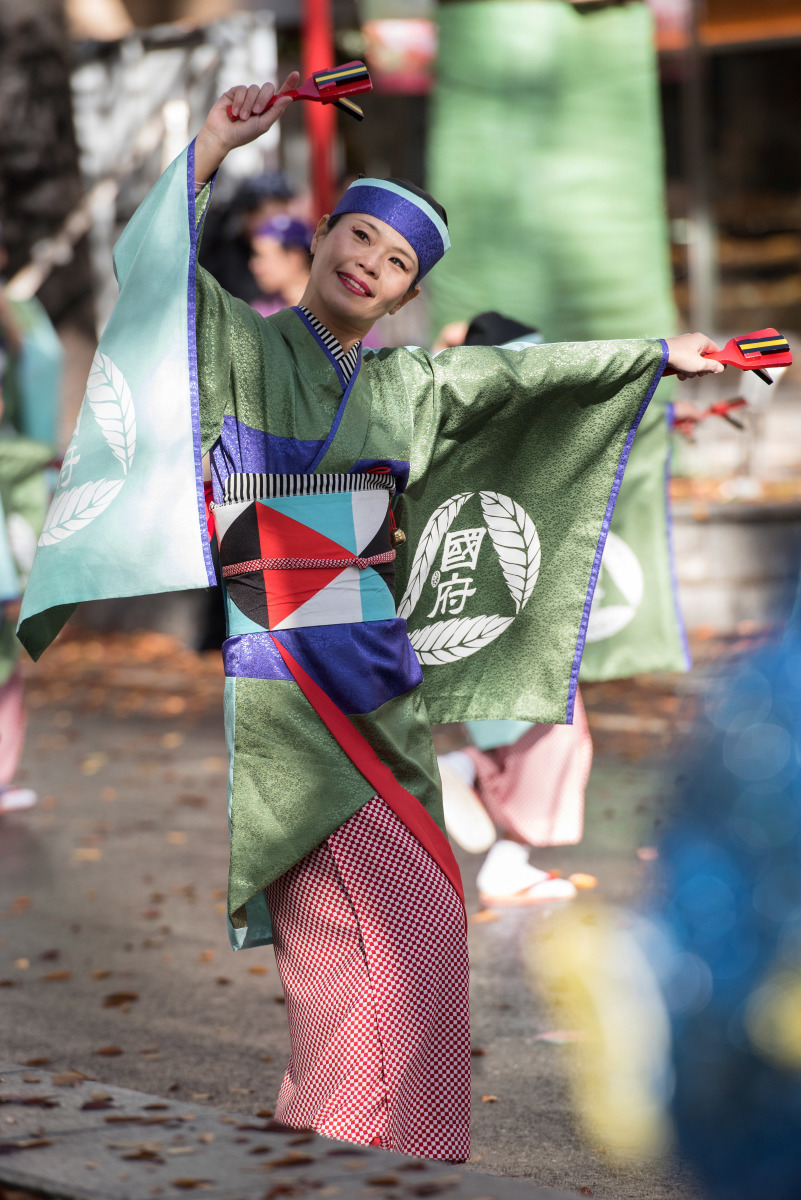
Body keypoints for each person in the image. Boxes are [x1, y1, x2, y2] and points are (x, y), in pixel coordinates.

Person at [18, 74, 726, 1159]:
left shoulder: (411, 388)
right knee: (361, 928)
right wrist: (210, 142)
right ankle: (361, 1145)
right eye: (356, 236)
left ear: (404, 297)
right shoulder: (244, 350)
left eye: (396, 263)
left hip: (380, 668)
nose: (370, 263)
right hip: (289, 671)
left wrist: (659, 358)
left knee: (423, 915)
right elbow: (156, 273)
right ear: (319, 243)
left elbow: (521, 385)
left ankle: (338, 1132)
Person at [249, 215, 314, 318]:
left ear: (295, 258)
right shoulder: (261, 312)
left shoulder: (329, 310)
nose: (254, 266)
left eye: (262, 257)